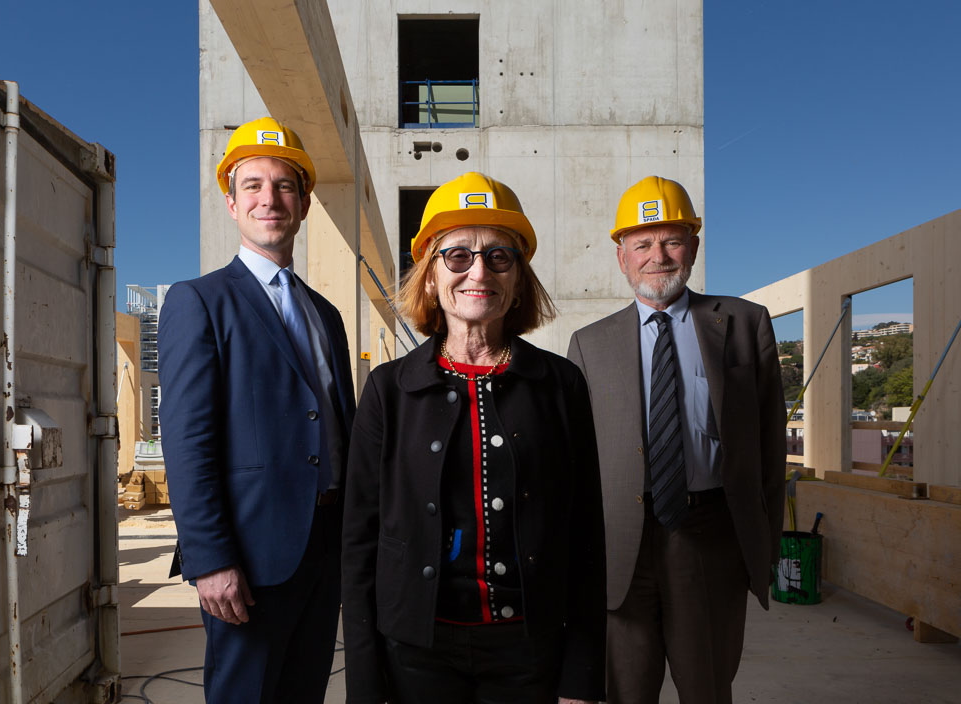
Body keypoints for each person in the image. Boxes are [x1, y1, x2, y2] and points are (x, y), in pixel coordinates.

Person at [342, 172, 606, 704]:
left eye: (499, 257)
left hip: (529, 651)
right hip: (416, 651)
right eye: (457, 256)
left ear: (518, 280)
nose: (478, 271)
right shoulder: (387, 390)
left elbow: (586, 538)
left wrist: (582, 676)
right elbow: (360, 547)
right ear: (432, 277)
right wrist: (365, 686)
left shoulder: (560, 384)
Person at [157, 117, 356, 703]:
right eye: (253, 185)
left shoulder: (326, 315)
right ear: (230, 201)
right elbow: (187, 442)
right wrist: (210, 559)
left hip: (324, 548)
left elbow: (334, 425)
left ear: (304, 204)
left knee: (305, 692)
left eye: (284, 186)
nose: (269, 198)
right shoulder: (199, 302)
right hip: (248, 558)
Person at [567, 175, 786, 704]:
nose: (657, 256)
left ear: (692, 245)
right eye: (642, 243)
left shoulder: (744, 323)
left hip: (710, 537)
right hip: (619, 546)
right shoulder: (589, 344)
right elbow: (571, 465)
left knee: (707, 687)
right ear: (622, 256)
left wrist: (764, 541)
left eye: (671, 240)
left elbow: (769, 446)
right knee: (624, 691)